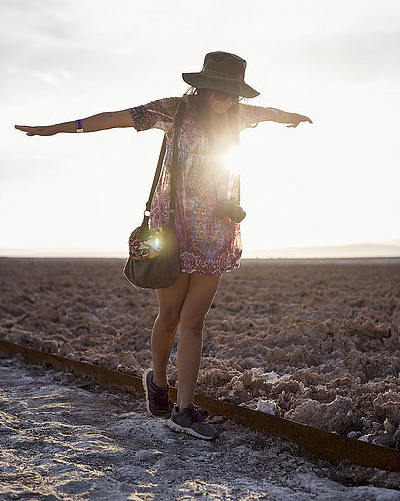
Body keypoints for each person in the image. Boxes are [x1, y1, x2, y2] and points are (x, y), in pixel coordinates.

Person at [15, 51, 312, 442]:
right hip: (171, 230)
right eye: (219, 91)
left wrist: (293, 118)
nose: (225, 99)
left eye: (233, 93)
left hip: (216, 231)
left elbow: (269, 112)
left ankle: (184, 410)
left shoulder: (239, 117)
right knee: (170, 315)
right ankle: (157, 381)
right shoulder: (173, 111)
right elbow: (112, 118)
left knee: (194, 321)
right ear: (202, 86)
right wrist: (55, 128)